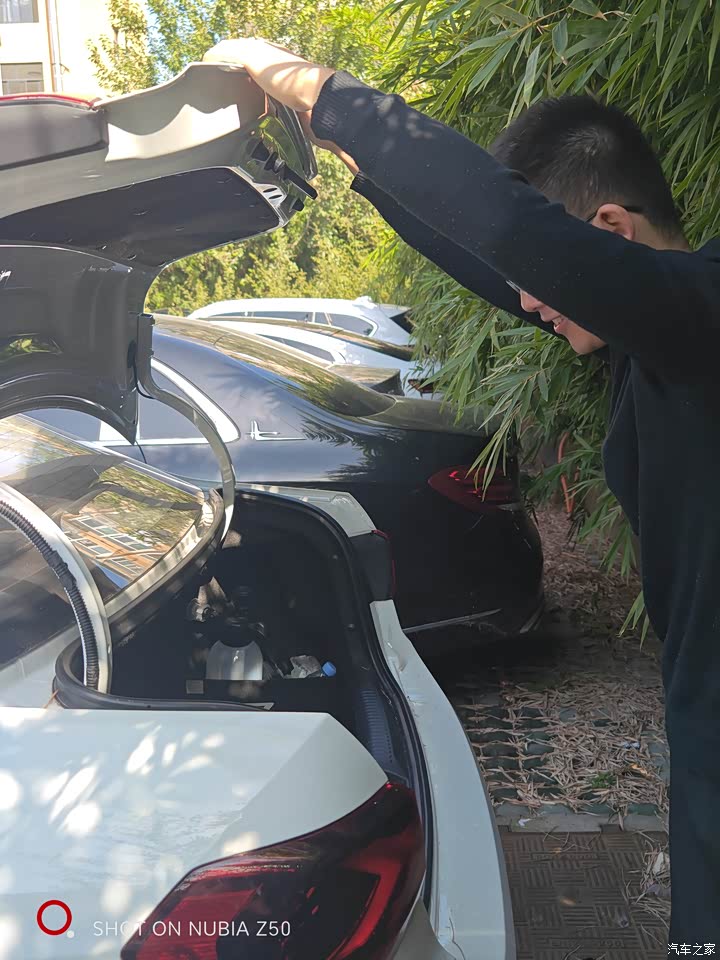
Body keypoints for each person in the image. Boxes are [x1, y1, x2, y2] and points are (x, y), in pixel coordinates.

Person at [203, 38, 720, 943]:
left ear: (607, 234)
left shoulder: (708, 312)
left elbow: (511, 232)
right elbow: (491, 253)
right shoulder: (659, 335)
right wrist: (357, 165)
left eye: (543, 287)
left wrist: (320, 91)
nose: (527, 305)